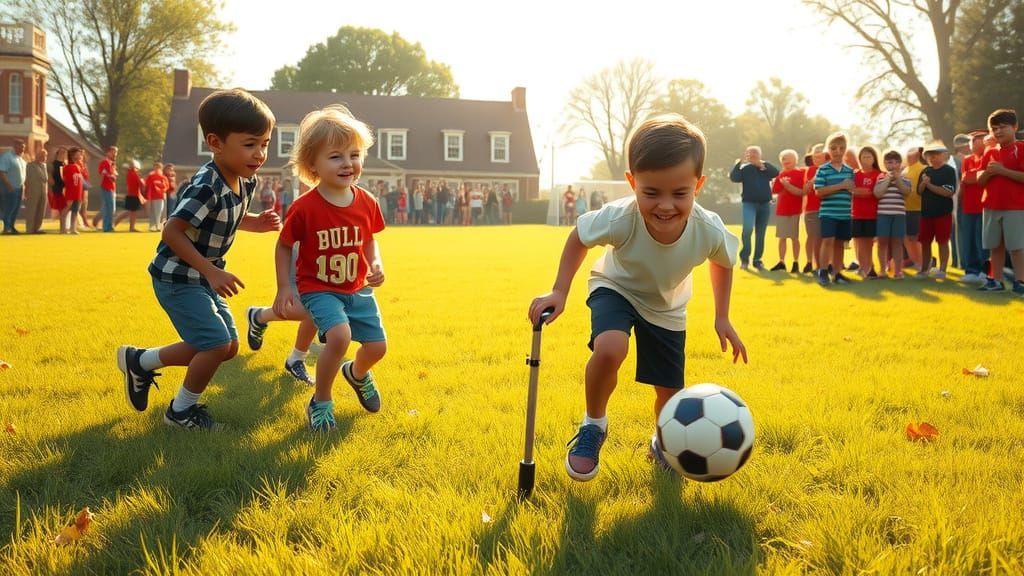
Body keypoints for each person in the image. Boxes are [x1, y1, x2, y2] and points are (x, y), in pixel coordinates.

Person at [527, 114, 746, 482]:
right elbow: (579, 237)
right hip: (616, 287)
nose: (665, 205)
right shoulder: (620, 217)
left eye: (680, 193)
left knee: (669, 392)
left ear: (699, 184)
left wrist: (721, 316)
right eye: (651, 192)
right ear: (632, 183)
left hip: (667, 307)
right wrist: (559, 290)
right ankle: (594, 424)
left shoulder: (707, 228)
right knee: (611, 348)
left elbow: (724, 262)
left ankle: (663, 442)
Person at [116, 88, 281, 430]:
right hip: (177, 276)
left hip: (201, 276)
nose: (260, 153)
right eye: (250, 144)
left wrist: (256, 223)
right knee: (215, 343)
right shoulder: (207, 185)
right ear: (215, 143)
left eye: (265, 143)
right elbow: (171, 231)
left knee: (228, 347)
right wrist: (211, 271)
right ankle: (180, 412)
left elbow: (227, 217)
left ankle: (140, 361)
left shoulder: (245, 179)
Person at [271, 104, 387, 430]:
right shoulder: (305, 207)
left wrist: (375, 262)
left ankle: (357, 373)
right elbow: (283, 245)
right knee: (339, 337)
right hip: (319, 288)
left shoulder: (367, 201)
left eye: (354, 154)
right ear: (312, 165)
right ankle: (320, 402)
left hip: (357, 287)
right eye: (336, 156)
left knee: (377, 347)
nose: (348, 163)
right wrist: (284, 287)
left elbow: (369, 239)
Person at [977, 108, 1024, 293]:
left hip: (1015, 206)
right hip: (990, 205)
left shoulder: (1021, 149)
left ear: (1015, 127)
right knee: (994, 246)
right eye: (994, 128)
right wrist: (988, 173)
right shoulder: (989, 151)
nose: (998, 132)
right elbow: (980, 180)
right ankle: (996, 281)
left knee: (1017, 247)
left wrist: (1003, 171)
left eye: (1003, 127)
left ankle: (1020, 281)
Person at [814, 132, 856, 286]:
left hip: (844, 213)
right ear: (828, 150)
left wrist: (850, 188)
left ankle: (837, 274)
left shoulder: (849, 171)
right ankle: (823, 272)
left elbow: (851, 190)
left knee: (839, 244)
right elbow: (819, 191)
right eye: (833, 148)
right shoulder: (823, 170)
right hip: (828, 213)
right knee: (828, 241)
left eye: (841, 148)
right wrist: (841, 185)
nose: (838, 151)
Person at [729, 145, 780, 271]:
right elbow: (734, 178)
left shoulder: (765, 167)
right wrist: (738, 163)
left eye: (755, 153)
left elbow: (776, 172)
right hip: (749, 204)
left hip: (765, 204)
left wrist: (761, 165)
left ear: (760, 155)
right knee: (747, 229)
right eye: (750, 154)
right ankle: (744, 259)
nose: (752, 156)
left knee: (760, 233)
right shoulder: (745, 169)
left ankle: (757, 260)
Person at [918, 142, 957, 278]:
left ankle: (942, 270)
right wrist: (924, 183)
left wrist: (929, 184)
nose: (933, 157)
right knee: (925, 242)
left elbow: (948, 192)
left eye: (936, 154)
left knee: (942, 242)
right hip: (926, 213)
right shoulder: (925, 171)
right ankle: (924, 269)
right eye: (930, 155)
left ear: (944, 155)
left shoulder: (949, 171)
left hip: (943, 213)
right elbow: (919, 191)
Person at [873, 150, 912, 278]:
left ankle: (898, 271)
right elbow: (877, 193)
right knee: (882, 242)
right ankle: (882, 270)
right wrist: (888, 179)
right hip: (883, 214)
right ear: (885, 164)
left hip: (899, 215)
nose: (893, 165)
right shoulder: (881, 178)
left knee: (897, 242)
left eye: (896, 162)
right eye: (890, 162)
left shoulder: (905, 179)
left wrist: (898, 179)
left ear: (900, 164)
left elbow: (906, 191)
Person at [958, 131, 988, 283]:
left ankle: (984, 271)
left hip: (985, 205)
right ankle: (971, 270)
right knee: (968, 238)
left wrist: (974, 176)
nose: (972, 144)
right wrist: (978, 175)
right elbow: (966, 179)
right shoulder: (967, 160)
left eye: (976, 140)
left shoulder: (989, 156)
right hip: (968, 206)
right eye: (972, 141)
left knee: (981, 239)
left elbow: (982, 177)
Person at [769, 149, 805, 272]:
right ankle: (781, 262)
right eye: (783, 159)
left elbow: (801, 190)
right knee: (782, 237)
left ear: (795, 160)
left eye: (788, 158)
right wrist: (776, 183)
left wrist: (788, 185)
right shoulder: (781, 175)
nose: (785, 161)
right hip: (782, 210)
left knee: (794, 237)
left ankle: (796, 262)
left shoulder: (800, 173)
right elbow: (775, 190)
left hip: (795, 210)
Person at [852, 146, 883, 278]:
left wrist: (859, 191)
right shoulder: (854, 174)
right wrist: (858, 191)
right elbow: (850, 189)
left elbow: (874, 192)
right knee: (859, 242)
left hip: (872, 214)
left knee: (869, 243)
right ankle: (864, 268)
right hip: (856, 214)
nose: (866, 159)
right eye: (863, 156)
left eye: (869, 156)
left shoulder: (879, 174)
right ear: (859, 159)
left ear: (874, 159)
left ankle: (870, 267)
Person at [802, 145, 826, 273]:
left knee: (826, 239)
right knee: (815, 237)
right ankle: (814, 264)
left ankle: (826, 264)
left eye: (820, 153)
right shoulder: (811, 170)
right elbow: (807, 189)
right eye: (815, 153)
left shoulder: (832, 169)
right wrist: (813, 180)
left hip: (829, 208)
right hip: (812, 209)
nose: (817, 156)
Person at [903, 147, 926, 272]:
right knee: (908, 237)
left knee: (917, 238)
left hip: (918, 209)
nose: (907, 156)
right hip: (905, 209)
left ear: (917, 155)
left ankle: (922, 262)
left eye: (910, 154)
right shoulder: (905, 170)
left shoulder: (923, 169)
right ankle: (915, 261)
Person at [0, 139, 28, 234]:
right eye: (22, 147)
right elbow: (2, 172)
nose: (23, 149)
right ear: (15, 146)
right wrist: (9, 186)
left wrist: (24, 188)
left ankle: (12, 227)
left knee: (16, 209)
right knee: (9, 208)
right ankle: (6, 228)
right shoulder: (7, 157)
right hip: (9, 188)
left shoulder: (21, 159)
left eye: (24, 147)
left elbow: (23, 175)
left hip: (19, 188)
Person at [113, 160, 145, 232]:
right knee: (129, 212)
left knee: (132, 213)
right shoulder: (134, 174)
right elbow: (141, 183)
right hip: (133, 195)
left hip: (132, 195)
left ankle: (131, 227)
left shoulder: (130, 173)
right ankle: (116, 223)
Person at [60, 147, 86, 235]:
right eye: (78, 154)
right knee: (66, 209)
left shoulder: (78, 166)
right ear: (72, 155)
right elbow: (66, 180)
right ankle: (62, 229)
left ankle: (73, 229)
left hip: (78, 192)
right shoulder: (68, 167)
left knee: (75, 210)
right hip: (71, 192)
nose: (80, 156)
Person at [24, 148, 49, 234]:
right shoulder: (30, 165)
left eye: (45, 156)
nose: (43, 157)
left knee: (41, 211)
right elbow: (27, 180)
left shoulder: (44, 166)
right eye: (41, 155)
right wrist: (26, 190)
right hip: (33, 191)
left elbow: (45, 179)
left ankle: (37, 228)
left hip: (43, 191)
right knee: (32, 210)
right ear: (37, 156)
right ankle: (29, 229)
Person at [94, 146, 118, 232]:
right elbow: (101, 173)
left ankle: (108, 226)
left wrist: (113, 176)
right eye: (113, 152)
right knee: (108, 208)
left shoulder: (112, 164)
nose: (115, 154)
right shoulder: (105, 162)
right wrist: (110, 176)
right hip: (106, 187)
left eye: (116, 152)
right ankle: (106, 227)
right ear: (108, 153)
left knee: (111, 208)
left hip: (112, 187)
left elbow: (114, 174)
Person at [144, 161, 170, 232]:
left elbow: (166, 186)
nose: (156, 169)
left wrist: (161, 188)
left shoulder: (163, 177)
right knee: (153, 212)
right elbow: (148, 186)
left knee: (159, 212)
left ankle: (158, 226)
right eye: (155, 167)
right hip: (153, 196)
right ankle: (153, 227)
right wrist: (148, 197)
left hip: (160, 196)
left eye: (158, 167)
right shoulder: (151, 176)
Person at [50, 146, 67, 231]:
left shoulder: (65, 164)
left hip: (66, 189)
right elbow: (52, 177)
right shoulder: (54, 164)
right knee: (62, 209)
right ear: (57, 154)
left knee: (65, 209)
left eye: (64, 153)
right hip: (58, 189)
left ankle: (64, 227)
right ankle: (62, 228)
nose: (63, 154)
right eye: (61, 152)